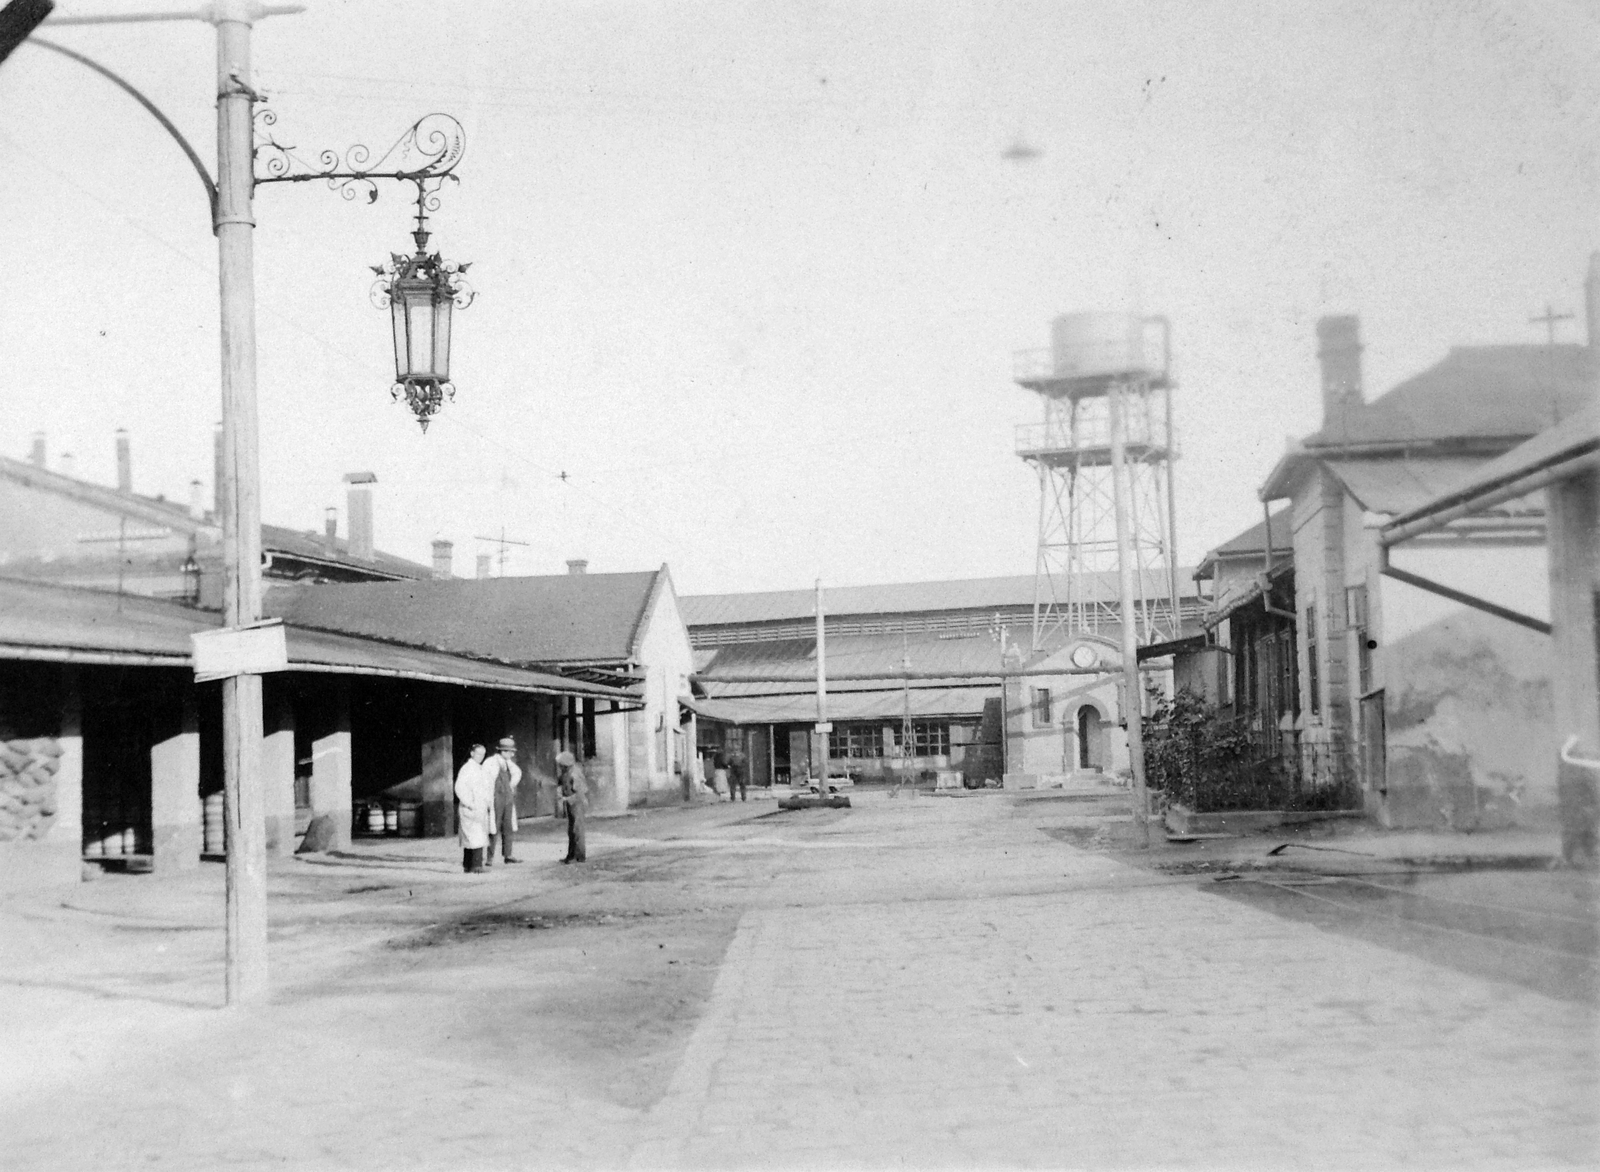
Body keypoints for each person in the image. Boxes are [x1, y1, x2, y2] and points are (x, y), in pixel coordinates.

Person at [454, 743, 493, 873]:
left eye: (483, 754)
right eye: (478, 754)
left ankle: (469, 865)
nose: (481, 757)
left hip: (480, 808)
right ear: (472, 754)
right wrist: (469, 803)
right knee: (473, 837)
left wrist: (487, 803)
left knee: (475, 837)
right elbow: (459, 788)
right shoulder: (467, 769)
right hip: (470, 807)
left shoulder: (480, 769)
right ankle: (475, 866)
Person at [485, 736, 523, 865]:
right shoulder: (490, 762)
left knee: (508, 826)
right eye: (510, 751)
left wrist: (511, 785)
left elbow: (517, 772)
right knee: (493, 827)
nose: (512, 754)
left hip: (507, 798)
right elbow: (485, 781)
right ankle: (489, 858)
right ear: (503, 751)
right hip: (495, 798)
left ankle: (508, 854)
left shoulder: (508, 763)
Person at [555, 750, 587, 863]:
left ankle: (579, 856)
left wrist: (566, 799)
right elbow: (560, 783)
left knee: (577, 830)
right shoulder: (565, 773)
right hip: (571, 804)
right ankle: (571, 855)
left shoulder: (575, 774)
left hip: (577, 804)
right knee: (571, 830)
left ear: (565, 764)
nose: (559, 766)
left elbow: (581, 793)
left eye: (561, 764)